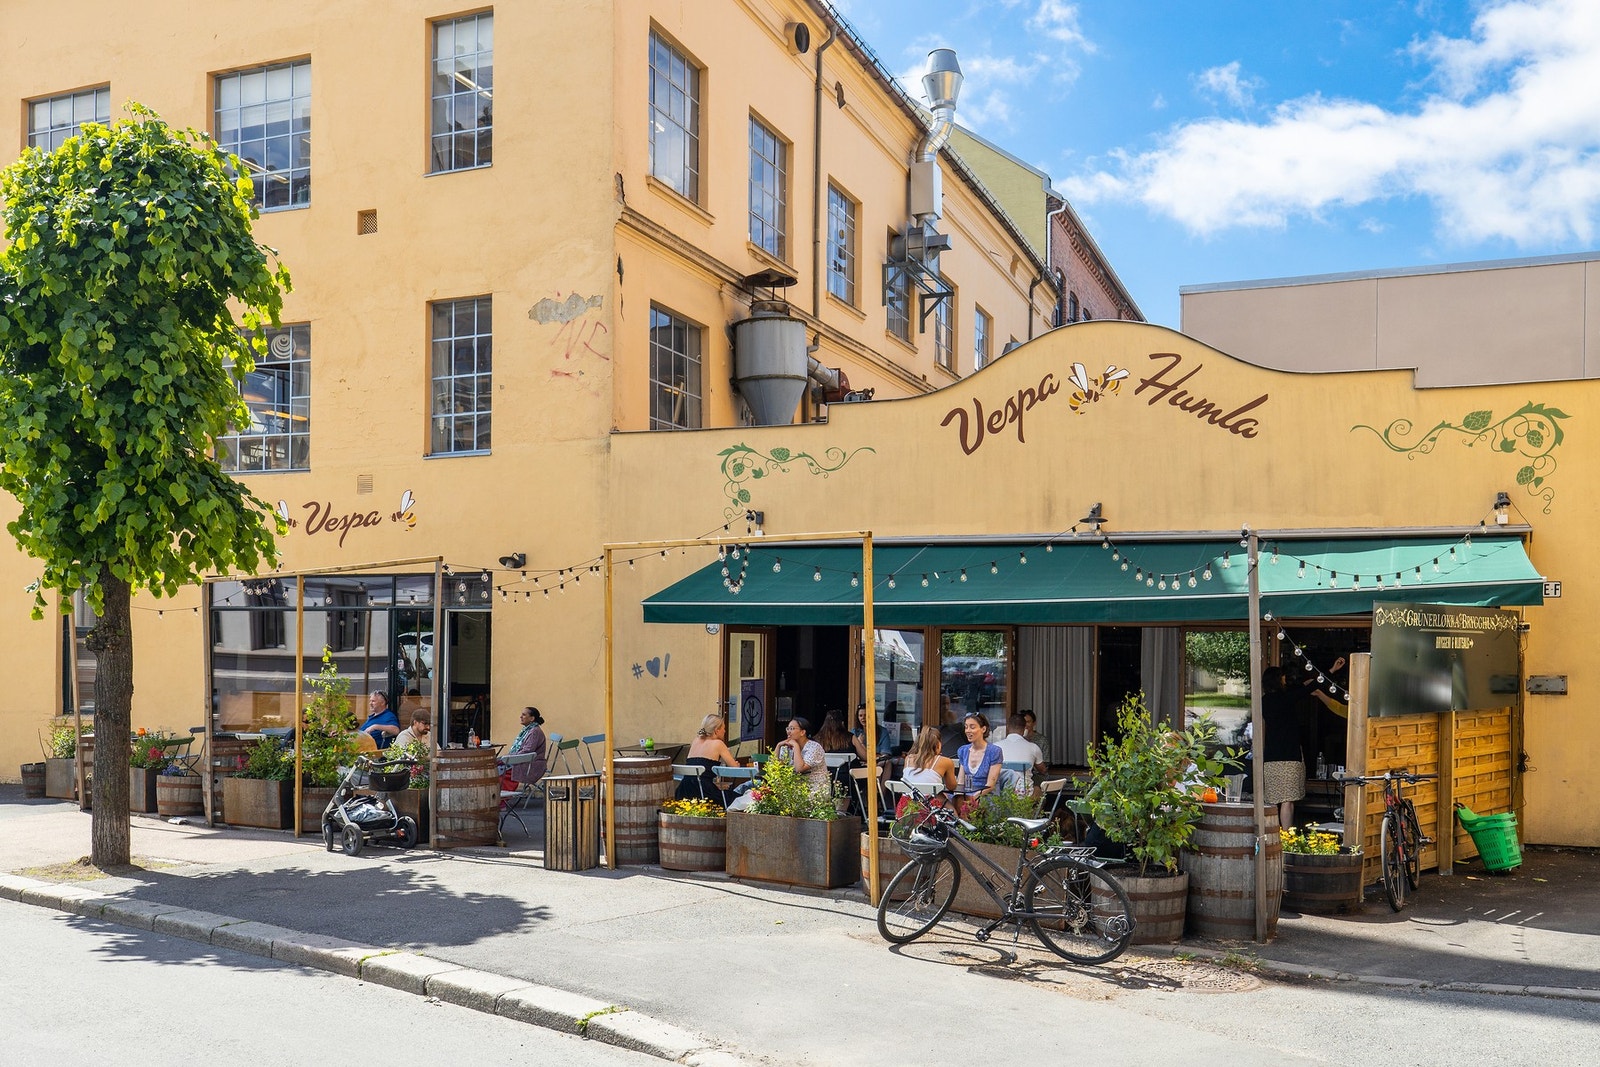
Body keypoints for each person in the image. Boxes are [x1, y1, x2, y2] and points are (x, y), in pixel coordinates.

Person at [1260, 666, 1306, 827]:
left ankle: (1271, 836)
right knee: (1288, 801)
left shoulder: (1264, 701)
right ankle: (1286, 838)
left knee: (1272, 799)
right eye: (1283, 677)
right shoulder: (1286, 698)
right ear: (1278, 679)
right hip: (1289, 755)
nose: (1285, 679)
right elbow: (1308, 689)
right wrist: (1331, 671)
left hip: (1271, 756)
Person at [677, 713, 742, 806]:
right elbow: (735, 769)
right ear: (716, 730)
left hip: (684, 791)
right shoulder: (718, 744)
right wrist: (736, 764)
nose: (725, 731)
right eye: (723, 728)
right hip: (705, 793)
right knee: (738, 798)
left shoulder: (696, 741)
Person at [898, 726, 957, 814]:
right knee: (953, 812)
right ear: (938, 744)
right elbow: (951, 787)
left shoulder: (908, 758)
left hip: (905, 808)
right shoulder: (946, 761)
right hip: (931, 808)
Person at [954, 712, 1004, 812]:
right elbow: (960, 781)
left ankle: (966, 824)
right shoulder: (963, 751)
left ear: (983, 729)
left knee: (969, 804)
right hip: (968, 794)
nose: (968, 731)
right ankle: (960, 824)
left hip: (987, 795)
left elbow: (990, 785)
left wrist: (973, 797)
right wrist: (959, 795)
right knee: (948, 800)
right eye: (966, 727)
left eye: (972, 727)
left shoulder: (994, 751)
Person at [774, 717, 829, 794]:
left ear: (802, 732)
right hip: (795, 789)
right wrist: (778, 746)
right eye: (788, 728)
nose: (789, 732)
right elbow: (775, 768)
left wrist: (796, 746)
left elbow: (800, 769)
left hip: (815, 789)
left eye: (792, 728)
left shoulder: (814, 747)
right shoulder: (786, 747)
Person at [500, 706, 548, 792]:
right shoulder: (528, 730)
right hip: (526, 761)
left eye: (524, 715)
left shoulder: (534, 732)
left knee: (499, 770)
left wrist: (509, 757)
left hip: (531, 764)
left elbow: (527, 751)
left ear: (532, 718)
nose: (520, 717)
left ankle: (502, 798)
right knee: (498, 764)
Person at [996, 711, 1046, 793]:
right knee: (1038, 790)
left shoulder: (995, 747)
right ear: (1024, 728)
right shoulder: (1033, 747)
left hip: (1001, 793)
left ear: (1008, 727)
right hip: (1024, 794)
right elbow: (1043, 770)